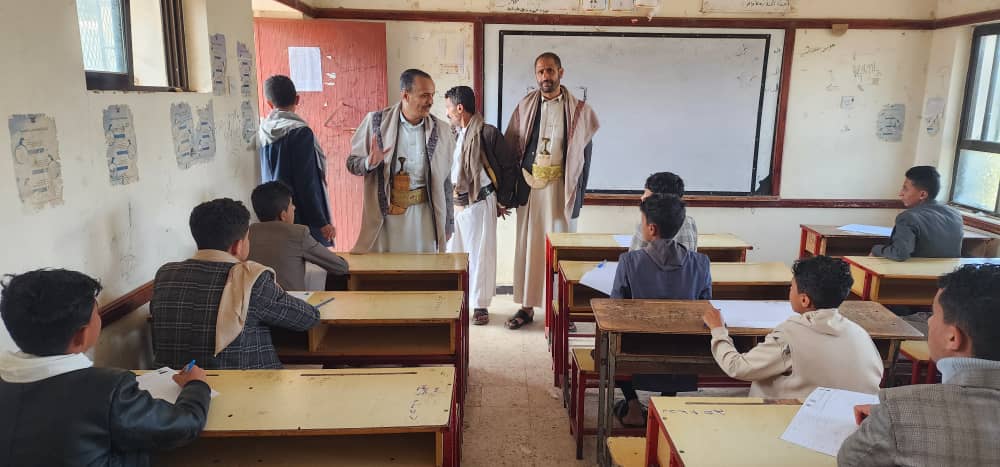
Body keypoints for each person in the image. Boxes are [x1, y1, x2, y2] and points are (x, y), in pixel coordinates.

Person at [0, 269, 210, 466]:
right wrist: (196, 385)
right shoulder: (109, 390)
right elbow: (184, 424)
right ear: (81, 335)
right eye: (97, 313)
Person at [838, 264, 1000, 466]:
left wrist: (892, 420)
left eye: (933, 314)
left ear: (952, 338)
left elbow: (850, 460)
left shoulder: (898, 415)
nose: (929, 321)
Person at [150, 198, 320, 369]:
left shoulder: (165, 274)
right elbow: (308, 319)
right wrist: (278, 293)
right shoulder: (251, 279)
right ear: (238, 246)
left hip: (175, 380)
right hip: (244, 381)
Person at [505, 52, 600, 330]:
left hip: (561, 190)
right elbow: (511, 149)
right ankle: (526, 307)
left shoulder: (580, 111)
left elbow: (584, 159)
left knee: (560, 251)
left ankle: (560, 311)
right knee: (529, 247)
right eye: (540, 71)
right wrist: (508, 193)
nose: (545, 76)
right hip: (530, 189)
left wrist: (578, 199)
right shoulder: (525, 106)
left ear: (560, 72)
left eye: (549, 70)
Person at [703, 256, 883, 399]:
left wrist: (718, 330)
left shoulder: (790, 334)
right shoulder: (859, 333)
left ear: (804, 300)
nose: (789, 291)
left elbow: (737, 367)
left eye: (791, 287)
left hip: (798, 419)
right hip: (857, 420)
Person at [611, 193, 711, 426]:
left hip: (635, 353)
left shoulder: (629, 261)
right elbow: (704, 308)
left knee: (611, 344)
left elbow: (614, 310)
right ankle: (665, 406)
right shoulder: (701, 263)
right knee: (677, 338)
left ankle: (633, 406)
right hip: (684, 356)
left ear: (651, 228)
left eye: (642, 221)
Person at [346, 69, 455, 253]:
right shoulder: (376, 123)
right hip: (387, 219)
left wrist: (448, 222)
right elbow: (351, 163)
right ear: (405, 95)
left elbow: (445, 181)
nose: (430, 101)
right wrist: (369, 163)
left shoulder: (442, 130)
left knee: (423, 268)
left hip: (425, 219)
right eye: (424, 95)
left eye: (432, 95)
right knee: (388, 268)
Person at [443, 85, 519, 325]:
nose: (446, 113)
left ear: (459, 108)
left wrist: (503, 200)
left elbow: (509, 167)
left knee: (480, 256)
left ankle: (479, 306)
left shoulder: (487, 133)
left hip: (480, 202)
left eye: (448, 107)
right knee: (453, 254)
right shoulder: (452, 133)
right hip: (456, 204)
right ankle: (455, 301)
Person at [259, 74, 336, 247]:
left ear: (269, 104)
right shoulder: (300, 133)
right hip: (300, 216)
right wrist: (321, 221)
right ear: (297, 99)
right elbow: (306, 183)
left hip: (274, 214)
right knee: (310, 259)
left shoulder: (263, 130)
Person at [248, 181, 349, 291]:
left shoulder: (247, 234)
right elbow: (340, 267)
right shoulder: (298, 234)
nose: (294, 208)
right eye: (291, 204)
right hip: (290, 301)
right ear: (283, 215)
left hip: (254, 301)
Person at [872, 165, 963, 261]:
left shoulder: (908, 217)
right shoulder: (955, 214)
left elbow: (899, 254)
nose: (900, 193)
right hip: (950, 270)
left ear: (922, 194)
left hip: (916, 270)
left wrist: (876, 249)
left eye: (905, 189)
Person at [630, 172, 697, 251]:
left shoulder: (647, 222)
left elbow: (633, 256)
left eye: (647, 196)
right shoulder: (689, 221)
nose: (642, 197)